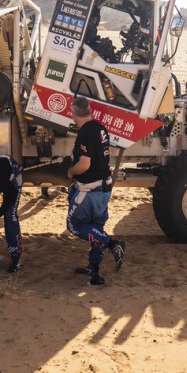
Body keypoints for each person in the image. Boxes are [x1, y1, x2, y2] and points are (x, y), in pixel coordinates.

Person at [65, 96, 126, 285]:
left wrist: (70, 172)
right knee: (95, 228)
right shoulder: (100, 128)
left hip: (90, 190)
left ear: (73, 113)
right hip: (103, 187)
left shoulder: (85, 133)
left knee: (74, 226)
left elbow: (84, 165)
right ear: (89, 110)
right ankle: (95, 271)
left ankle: (114, 245)